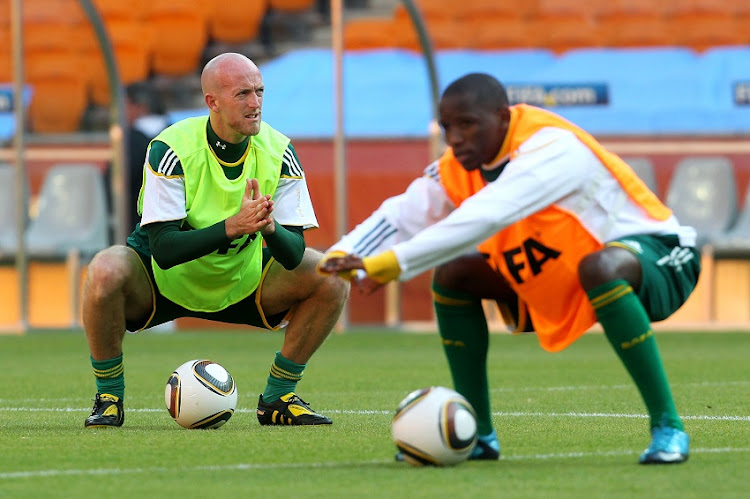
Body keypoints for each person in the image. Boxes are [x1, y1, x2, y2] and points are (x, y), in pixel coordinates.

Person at [319, 73, 697, 465]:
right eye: (447, 127)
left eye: (467, 124)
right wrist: (343, 255)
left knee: (600, 267)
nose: (455, 138)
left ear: (502, 117)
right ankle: (478, 435)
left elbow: (488, 214)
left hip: (660, 259)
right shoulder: (457, 166)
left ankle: (668, 427)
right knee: (454, 274)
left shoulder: (552, 146)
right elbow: (403, 213)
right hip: (563, 272)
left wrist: (391, 263)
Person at [82, 53, 349, 429]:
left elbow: (294, 255)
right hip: (163, 282)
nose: (255, 104)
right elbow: (163, 249)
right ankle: (109, 397)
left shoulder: (279, 152)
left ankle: (278, 398)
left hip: (242, 281)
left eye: (259, 92)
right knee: (105, 269)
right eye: (242, 94)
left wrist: (270, 228)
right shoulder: (171, 149)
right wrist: (232, 227)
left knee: (330, 276)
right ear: (213, 102)